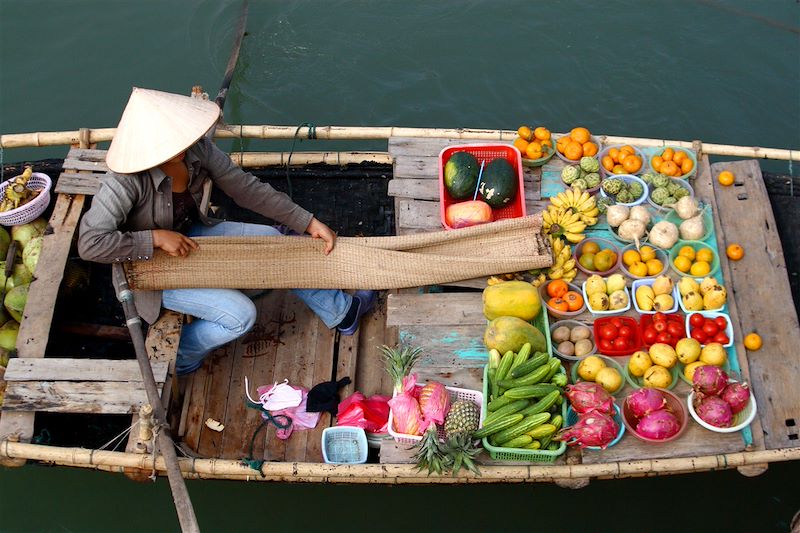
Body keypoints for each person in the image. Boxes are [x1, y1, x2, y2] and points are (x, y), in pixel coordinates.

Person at [78, 87, 376, 375]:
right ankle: (182, 357)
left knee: (275, 242)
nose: (182, 147)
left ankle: (341, 313)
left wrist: (307, 222)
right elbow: (90, 243)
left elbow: (245, 188)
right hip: (148, 272)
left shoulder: (196, 149)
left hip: (190, 238)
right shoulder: (123, 181)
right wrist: (154, 238)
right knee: (240, 316)